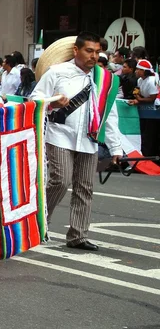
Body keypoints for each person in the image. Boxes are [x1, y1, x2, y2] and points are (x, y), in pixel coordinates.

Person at [30, 31, 122, 251]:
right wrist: (53, 102)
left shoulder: (104, 79)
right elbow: (34, 99)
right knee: (60, 180)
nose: (93, 56)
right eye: (89, 51)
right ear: (76, 50)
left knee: (85, 186)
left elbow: (109, 114)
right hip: (60, 135)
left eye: (97, 52)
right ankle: (38, 223)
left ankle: (78, 235)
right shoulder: (57, 72)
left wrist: (116, 146)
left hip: (89, 139)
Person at [129, 59, 159, 156]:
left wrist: (140, 100)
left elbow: (152, 98)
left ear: (144, 71)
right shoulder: (139, 80)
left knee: (149, 135)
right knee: (143, 134)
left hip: (154, 113)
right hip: (144, 112)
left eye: (138, 69)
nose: (136, 71)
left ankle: (149, 156)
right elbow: (139, 93)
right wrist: (137, 98)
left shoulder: (152, 81)